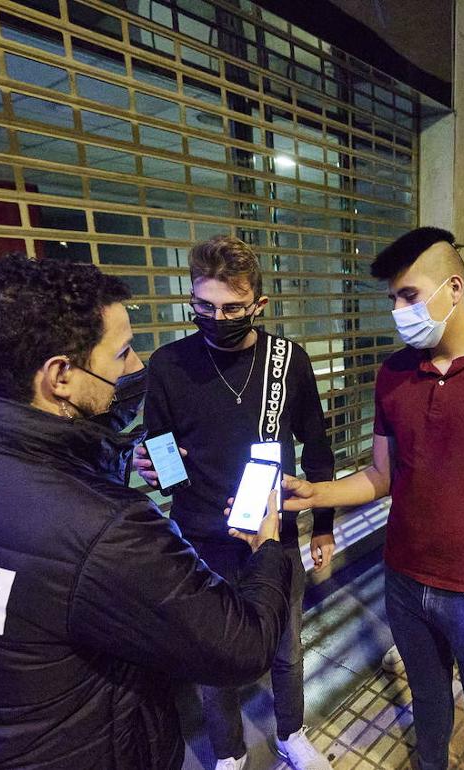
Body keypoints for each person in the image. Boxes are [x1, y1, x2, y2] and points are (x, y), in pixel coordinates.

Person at [0, 254, 292, 769]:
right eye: (120, 354)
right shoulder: (107, 529)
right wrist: (268, 547)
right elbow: (241, 647)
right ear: (60, 376)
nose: (135, 366)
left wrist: (117, 455)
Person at [281, 227, 464, 770]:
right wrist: (317, 492)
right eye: (393, 299)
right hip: (406, 584)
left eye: (410, 296)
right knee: (429, 706)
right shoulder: (393, 374)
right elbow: (380, 476)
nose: (398, 311)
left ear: (453, 288)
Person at [133, 236, 335, 770]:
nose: (216, 317)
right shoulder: (168, 364)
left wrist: (324, 525)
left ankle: (291, 734)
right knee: (210, 657)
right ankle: (228, 750)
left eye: (231, 308)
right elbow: (159, 448)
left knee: (286, 648)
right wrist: (159, 471)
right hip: (199, 536)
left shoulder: (287, 360)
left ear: (258, 306)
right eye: (203, 306)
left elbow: (317, 446)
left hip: (274, 532)